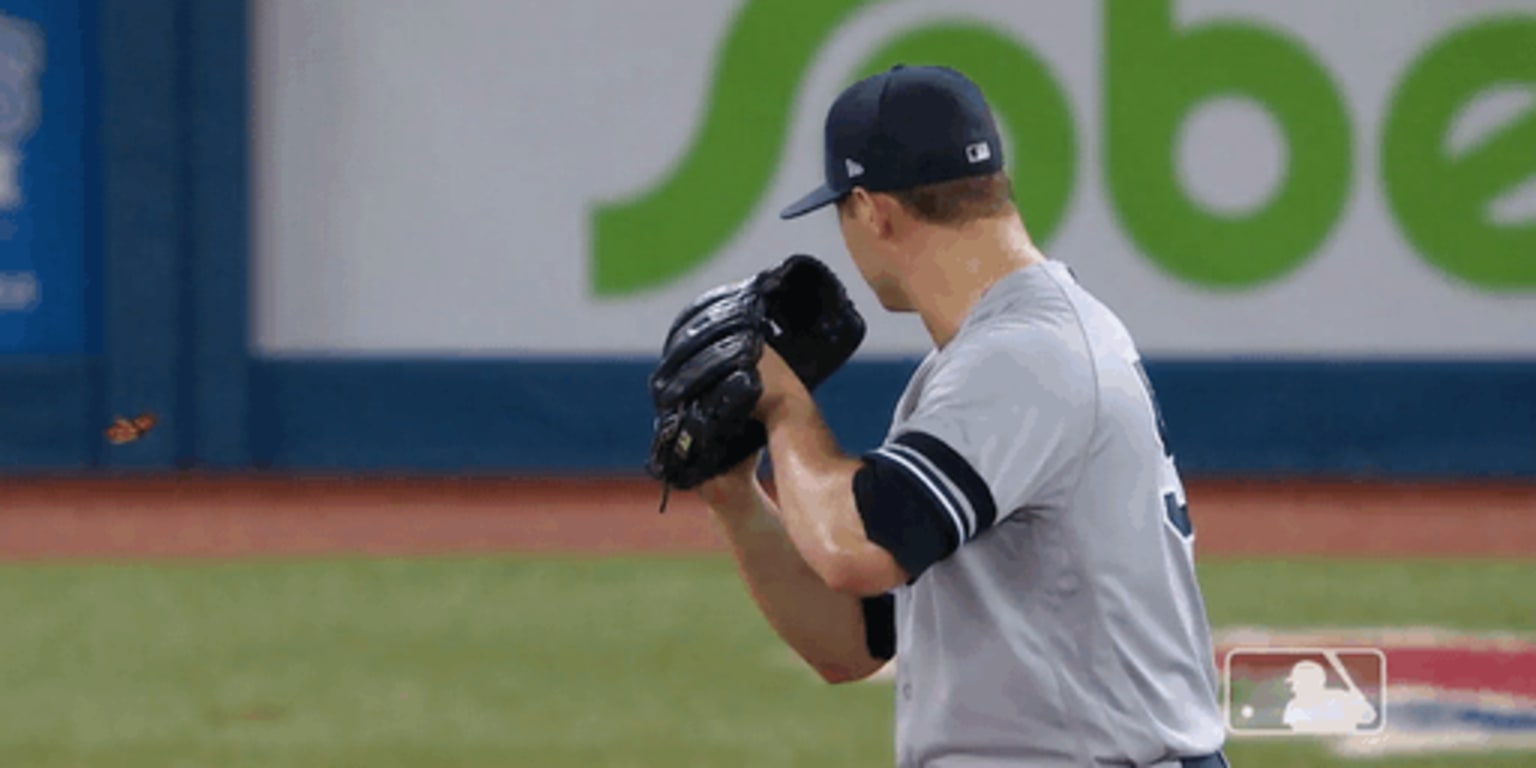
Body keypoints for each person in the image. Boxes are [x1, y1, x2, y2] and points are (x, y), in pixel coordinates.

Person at [695, 64, 1229, 767]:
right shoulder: (987, 363)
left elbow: (854, 548)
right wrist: (736, 496)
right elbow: (855, 644)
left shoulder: (1026, 357)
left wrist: (784, 404)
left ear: (874, 209)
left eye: (841, 212)